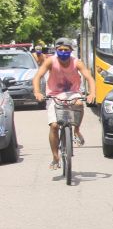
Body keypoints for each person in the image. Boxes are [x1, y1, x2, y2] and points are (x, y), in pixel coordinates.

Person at [33, 38, 95, 169]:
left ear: (71, 51)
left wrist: (92, 94)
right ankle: (55, 157)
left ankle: (76, 130)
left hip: (73, 92)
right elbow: (38, 76)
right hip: (53, 95)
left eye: (66, 50)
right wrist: (37, 92)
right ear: (56, 50)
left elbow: (89, 77)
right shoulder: (50, 61)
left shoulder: (77, 63)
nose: (63, 52)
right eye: (60, 50)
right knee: (54, 126)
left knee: (79, 104)